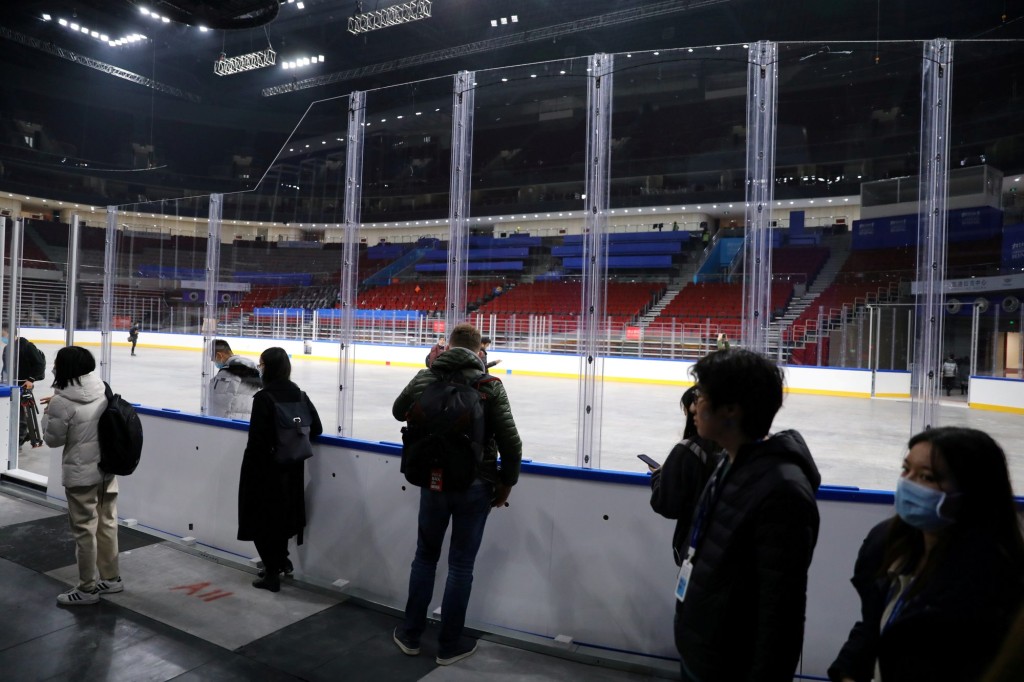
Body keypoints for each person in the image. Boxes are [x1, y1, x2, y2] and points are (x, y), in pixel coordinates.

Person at [828, 427, 1024, 682]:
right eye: (906, 469)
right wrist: (847, 673)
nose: (909, 483)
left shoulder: (994, 584)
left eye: (928, 477)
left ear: (972, 492)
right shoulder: (886, 546)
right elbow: (872, 626)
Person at [675, 349, 820, 681]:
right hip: (706, 654)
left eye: (701, 395)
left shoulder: (781, 491)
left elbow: (780, 611)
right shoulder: (730, 461)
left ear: (730, 409)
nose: (695, 405)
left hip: (731, 666)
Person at [392, 322, 522, 665]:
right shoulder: (489, 386)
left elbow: (396, 411)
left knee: (425, 557)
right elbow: (511, 441)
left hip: (433, 482)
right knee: (460, 566)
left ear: (447, 346)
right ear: (480, 350)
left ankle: (410, 635)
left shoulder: (428, 377)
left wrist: (426, 374)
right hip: (476, 484)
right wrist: (506, 481)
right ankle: (449, 646)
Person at [40, 346, 124, 606]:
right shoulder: (102, 388)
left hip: (80, 475)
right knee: (107, 524)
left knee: (84, 530)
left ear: (67, 368)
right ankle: (111, 579)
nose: (53, 366)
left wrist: (50, 410)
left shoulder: (62, 402)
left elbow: (52, 440)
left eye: (57, 362)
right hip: (106, 470)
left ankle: (87, 589)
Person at [237, 347, 322, 592]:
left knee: (259, 520)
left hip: (265, 471)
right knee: (283, 519)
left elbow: (256, 443)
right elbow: (316, 428)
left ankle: (272, 573)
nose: (259, 368)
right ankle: (281, 561)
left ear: (268, 368)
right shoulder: (300, 395)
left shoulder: (264, 398)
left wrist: (250, 475)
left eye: (261, 364)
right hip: (293, 470)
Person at [648, 386, 722, 567]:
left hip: (698, 552)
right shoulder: (740, 451)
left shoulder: (688, 450)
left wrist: (659, 475)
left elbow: (666, 504)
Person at [2, 324, 47, 446]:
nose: (1, 337)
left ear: (9, 333)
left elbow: (39, 364)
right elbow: (6, 368)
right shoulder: (7, 349)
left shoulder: (27, 346)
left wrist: (31, 380)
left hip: (23, 386)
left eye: (2, 334)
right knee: (10, 410)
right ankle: (21, 434)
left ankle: (19, 440)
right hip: (10, 384)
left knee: (22, 413)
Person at [209, 339, 262, 420]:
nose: (214, 362)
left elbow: (219, 401)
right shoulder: (252, 364)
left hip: (231, 422)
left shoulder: (226, 373)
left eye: (213, 359)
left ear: (219, 355)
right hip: (249, 420)